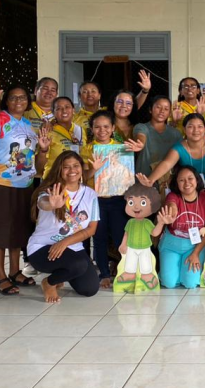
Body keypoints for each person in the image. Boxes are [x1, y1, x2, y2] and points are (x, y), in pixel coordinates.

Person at [0, 85, 50, 295]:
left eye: (23, 98)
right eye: (14, 98)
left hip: (24, 185)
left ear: (28, 101)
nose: (19, 101)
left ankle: (15, 271)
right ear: (6, 101)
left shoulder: (28, 125)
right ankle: (0, 278)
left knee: (17, 229)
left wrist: (43, 149)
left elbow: (39, 164)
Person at [28, 151, 100, 304]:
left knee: (89, 289)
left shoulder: (91, 194)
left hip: (71, 248)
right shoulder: (50, 190)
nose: (72, 170)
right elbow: (43, 203)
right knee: (78, 264)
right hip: (42, 248)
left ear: (82, 168)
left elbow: (91, 229)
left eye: (75, 166)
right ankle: (49, 283)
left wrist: (64, 243)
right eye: (66, 167)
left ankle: (61, 273)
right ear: (59, 170)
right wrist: (52, 204)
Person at [81, 110, 141, 288]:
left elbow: (127, 171)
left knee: (120, 236)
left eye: (106, 126)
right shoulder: (87, 148)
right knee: (98, 237)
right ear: (92, 129)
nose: (102, 130)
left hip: (118, 199)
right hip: (95, 200)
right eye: (97, 127)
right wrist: (94, 169)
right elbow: (83, 177)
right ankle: (104, 274)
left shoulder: (121, 146)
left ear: (113, 128)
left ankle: (125, 270)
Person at [157, 166, 205, 289]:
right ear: (176, 183)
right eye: (181, 180)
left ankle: (184, 271)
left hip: (194, 246)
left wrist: (196, 253)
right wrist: (171, 212)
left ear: (197, 180)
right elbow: (171, 205)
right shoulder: (173, 196)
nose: (187, 183)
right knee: (169, 283)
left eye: (190, 178)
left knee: (190, 283)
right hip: (172, 244)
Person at [138, 113, 205, 190]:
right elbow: (166, 163)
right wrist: (150, 180)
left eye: (200, 126)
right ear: (184, 129)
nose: (196, 130)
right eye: (190, 127)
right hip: (189, 188)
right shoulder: (179, 147)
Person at [133, 95, 182, 178]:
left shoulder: (176, 133)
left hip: (168, 182)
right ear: (150, 109)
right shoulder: (141, 127)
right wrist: (140, 144)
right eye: (158, 107)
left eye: (166, 109)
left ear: (169, 113)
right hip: (143, 178)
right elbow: (141, 136)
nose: (162, 111)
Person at [45, 97, 84, 179]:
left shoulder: (81, 130)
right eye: (59, 108)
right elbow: (40, 166)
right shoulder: (48, 131)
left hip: (75, 179)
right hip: (54, 179)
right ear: (53, 113)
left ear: (73, 110)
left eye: (67, 107)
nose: (64, 111)